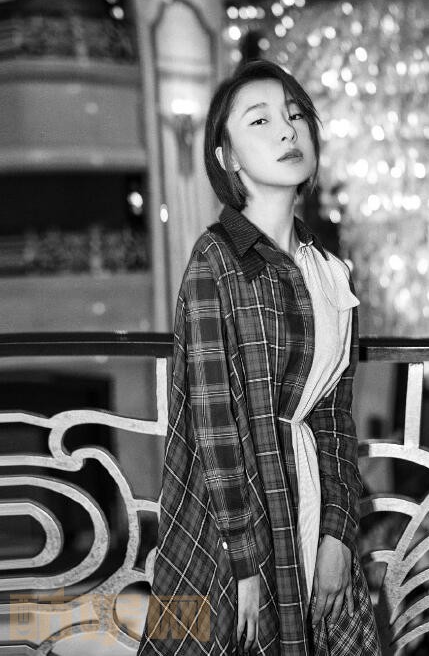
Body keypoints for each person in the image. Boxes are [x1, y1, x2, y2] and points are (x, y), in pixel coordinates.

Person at [137, 60, 381, 655]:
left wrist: (337, 533)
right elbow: (214, 423)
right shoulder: (215, 260)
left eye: (295, 115)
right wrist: (244, 564)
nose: (288, 130)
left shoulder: (329, 271)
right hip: (228, 523)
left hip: (309, 500)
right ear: (228, 159)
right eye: (261, 120)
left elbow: (333, 416)